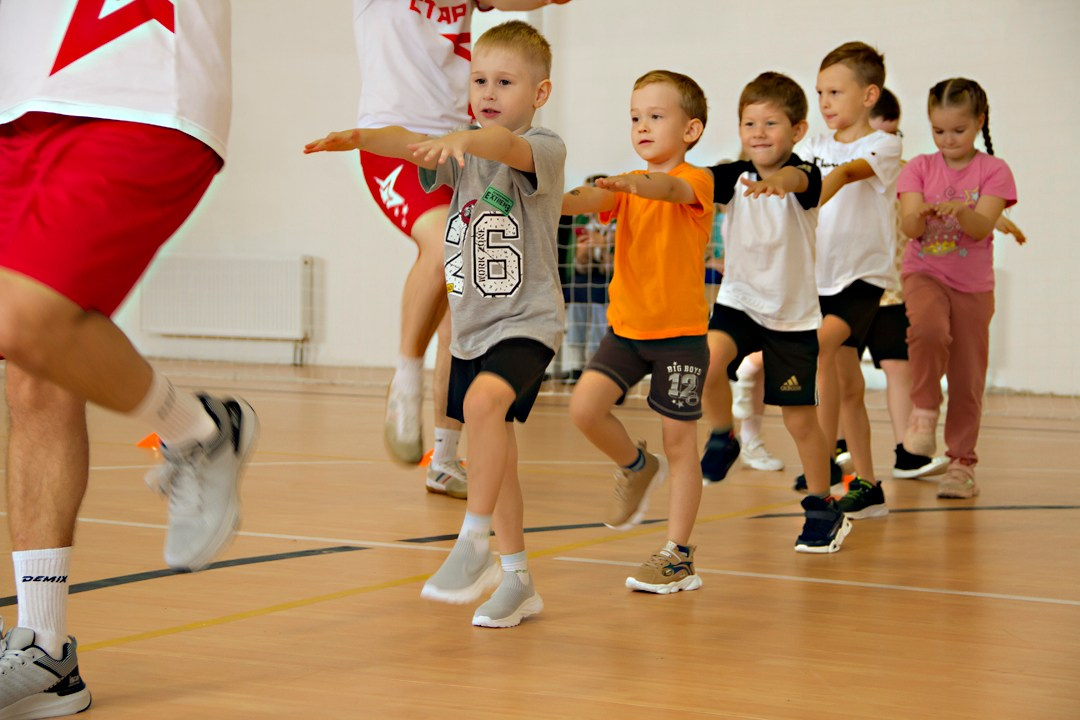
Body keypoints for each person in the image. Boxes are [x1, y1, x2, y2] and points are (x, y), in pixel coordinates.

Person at [0, 2, 257, 716]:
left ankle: (200, 430)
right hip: (19, 94)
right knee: (33, 371)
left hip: (140, 74)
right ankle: (45, 651)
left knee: (19, 318)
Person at [308, 20, 564, 627]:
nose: (489, 93)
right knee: (494, 447)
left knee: (481, 407)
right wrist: (362, 136)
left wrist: (463, 139)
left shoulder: (542, 147)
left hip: (527, 320)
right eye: (479, 80)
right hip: (475, 328)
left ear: (540, 93)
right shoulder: (459, 153)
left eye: (505, 82)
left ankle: (474, 542)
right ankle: (519, 578)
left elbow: (501, 148)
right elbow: (409, 141)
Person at [351, 0, 569, 500]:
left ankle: (445, 460)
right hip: (401, 145)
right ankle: (405, 378)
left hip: (463, 144)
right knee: (441, 245)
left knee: (460, 305)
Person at [564, 70, 714, 594]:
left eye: (656, 116)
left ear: (691, 129)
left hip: (680, 336)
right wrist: (544, 199)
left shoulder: (696, 181)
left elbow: (667, 187)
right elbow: (585, 201)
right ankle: (634, 463)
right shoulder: (625, 185)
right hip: (627, 331)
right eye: (635, 117)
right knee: (583, 409)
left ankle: (679, 555)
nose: (642, 126)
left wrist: (629, 183)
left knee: (681, 443)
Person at [701, 71, 852, 553]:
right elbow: (692, 184)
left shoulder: (807, 176)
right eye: (750, 123)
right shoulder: (731, 175)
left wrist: (777, 185)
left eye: (771, 123)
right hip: (740, 302)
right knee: (704, 363)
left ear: (798, 130)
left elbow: (795, 179)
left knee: (800, 422)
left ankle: (822, 506)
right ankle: (724, 436)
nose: (759, 133)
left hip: (791, 317)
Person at [898, 78, 1018, 499]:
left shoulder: (995, 171)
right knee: (928, 331)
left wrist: (962, 210)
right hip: (924, 272)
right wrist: (920, 214)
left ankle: (961, 464)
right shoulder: (918, 167)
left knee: (967, 377)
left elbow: (983, 226)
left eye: (958, 131)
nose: (948, 140)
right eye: (939, 131)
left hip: (972, 287)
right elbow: (909, 227)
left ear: (979, 122)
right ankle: (924, 412)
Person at [796, 42, 901, 520]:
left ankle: (819, 468)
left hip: (863, 279)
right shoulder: (811, 145)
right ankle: (868, 483)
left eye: (836, 91)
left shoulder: (883, 144)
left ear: (869, 95)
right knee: (848, 384)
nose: (825, 102)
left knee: (817, 347)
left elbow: (844, 175)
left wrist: (809, 187)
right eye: (820, 92)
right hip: (819, 278)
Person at [859, 89, 950, 480]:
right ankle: (832, 452)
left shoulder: (912, 172)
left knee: (900, 368)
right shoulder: (844, 172)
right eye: (883, 137)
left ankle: (906, 454)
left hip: (891, 290)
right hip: (843, 290)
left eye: (896, 136)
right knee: (837, 376)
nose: (891, 145)